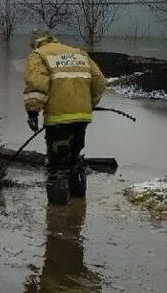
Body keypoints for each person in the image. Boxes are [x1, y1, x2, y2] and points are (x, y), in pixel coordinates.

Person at [22, 31, 107, 206]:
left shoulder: (39, 55)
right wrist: (89, 103)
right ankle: (78, 208)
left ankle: (57, 220)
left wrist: (32, 113)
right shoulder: (78, 53)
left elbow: (37, 85)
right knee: (75, 161)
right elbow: (100, 81)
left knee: (58, 168)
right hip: (82, 117)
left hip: (58, 119)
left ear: (36, 43)